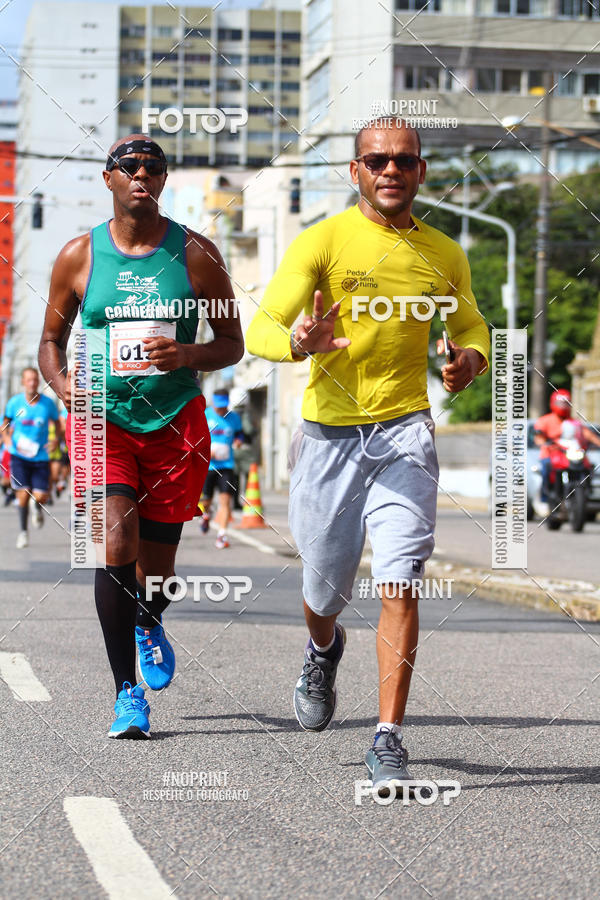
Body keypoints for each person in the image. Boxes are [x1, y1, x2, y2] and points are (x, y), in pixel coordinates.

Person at [246, 119, 489, 791]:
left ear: (421, 171)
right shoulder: (322, 240)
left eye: (404, 160)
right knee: (323, 588)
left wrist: (471, 359)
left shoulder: (444, 253)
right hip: (329, 437)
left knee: (400, 577)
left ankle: (388, 735)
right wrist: (298, 343)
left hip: (406, 433)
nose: (391, 170)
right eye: (377, 160)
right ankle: (323, 648)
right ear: (356, 170)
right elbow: (262, 328)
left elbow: (470, 323)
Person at [39, 134, 243, 739]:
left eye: (153, 168)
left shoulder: (197, 255)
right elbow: (50, 342)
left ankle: (149, 618)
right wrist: (62, 385)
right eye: (129, 166)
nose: (141, 176)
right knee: (115, 540)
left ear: (163, 180)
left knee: (159, 572)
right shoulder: (79, 256)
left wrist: (186, 354)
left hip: (175, 422)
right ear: (108, 178)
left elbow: (232, 344)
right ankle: (127, 694)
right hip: (101, 417)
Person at [1, 367, 61, 548]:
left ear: (38, 382)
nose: (32, 383)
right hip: (19, 456)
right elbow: (5, 423)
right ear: (23, 382)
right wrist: (7, 440)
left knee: (40, 496)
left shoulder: (47, 404)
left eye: (35, 380)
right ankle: (23, 532)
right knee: (23, 494)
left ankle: (37, 507)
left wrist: (56, 440)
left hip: (40, 456)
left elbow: (57, 423)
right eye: (28, 380)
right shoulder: (15, 403)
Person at [534, 389, 600, 507]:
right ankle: (545, 499)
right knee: (546, 468)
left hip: (570, 454)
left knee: (588, 466)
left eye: (566, 403)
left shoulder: (574, 422)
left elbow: (588, 435)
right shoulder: (545, 420)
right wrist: (543, 442)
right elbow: (538, 437)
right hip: (551, 454)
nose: (563, 406)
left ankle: (587, 491)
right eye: (560, 403)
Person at [198, 389, 245, 549]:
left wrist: (238, 441)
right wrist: (205, 450)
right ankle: (206, 514)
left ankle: (222, 536)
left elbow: (240, 434)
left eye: (224, 406)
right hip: (208, 466)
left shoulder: (234, 417)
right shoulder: (205, 415)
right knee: (206, 500)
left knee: (225, 501)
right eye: (218, 406)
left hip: (226, 466)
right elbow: (195, 438)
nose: (221, 409)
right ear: (213, 403)